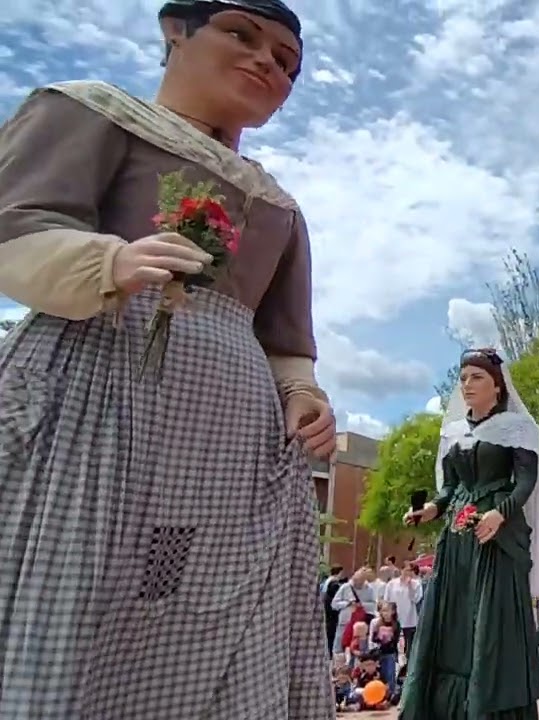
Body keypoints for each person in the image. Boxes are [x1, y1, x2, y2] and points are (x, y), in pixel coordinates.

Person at [0, 1, 335, 717]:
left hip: (228, 437)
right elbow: (14, 226)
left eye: (286, 61)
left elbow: (284, 339)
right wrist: (108, 260)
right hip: (103, 386)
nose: (266, 63)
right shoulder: (93, 113)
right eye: (242, 35)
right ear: (174, 30)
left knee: (196, 595)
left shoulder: (278, 205)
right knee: (82, 584)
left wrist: (301, 394)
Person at [397, 348, 539, 720]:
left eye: (477, 377)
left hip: (496, 537)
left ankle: (487, 706)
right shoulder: (453, 431)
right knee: (452, 619)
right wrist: (431, 509)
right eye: (464, 377)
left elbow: (526, 482)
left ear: (497, 387)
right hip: (458, 537)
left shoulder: (517, 427)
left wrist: (499, 515)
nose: (467, 385)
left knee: (489, 620)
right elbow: (450, 487)